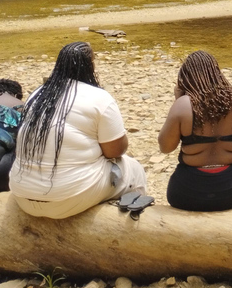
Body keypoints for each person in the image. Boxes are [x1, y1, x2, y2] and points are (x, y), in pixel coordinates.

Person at [9, 42, 146, 219]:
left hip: (23, 196)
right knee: (133, 168)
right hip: (67, 200)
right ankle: (134, 222)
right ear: (90, 66)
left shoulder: (37, 94)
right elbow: (116, 151)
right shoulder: (99, 97)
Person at [159, 51, 232, 211]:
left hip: (189, 192)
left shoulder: (183, 105)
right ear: (217, 74)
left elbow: (165, 147)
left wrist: (178, 101)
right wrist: (228, 158)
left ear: (186, 79)